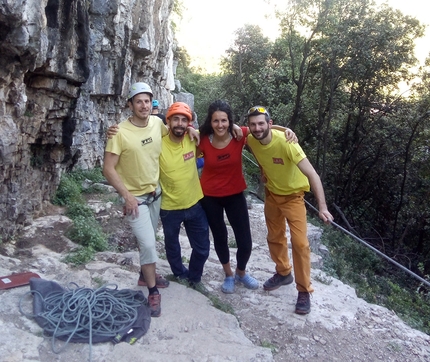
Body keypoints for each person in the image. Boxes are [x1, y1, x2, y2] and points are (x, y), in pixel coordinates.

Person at [197, 100, 297, 294]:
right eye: (216, 121)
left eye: (224, 120)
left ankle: (240, 273)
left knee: (245, 241)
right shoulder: (202, 139)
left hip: (235, 194)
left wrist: (287, 130)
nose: (220, 125)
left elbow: (264, 127)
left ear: (229, 121)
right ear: (210, 121)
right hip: (210, 196)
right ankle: (228, 275)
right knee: (220, 237)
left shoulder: (239, 135)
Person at [245, 105, 334, 315]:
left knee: (300, 243)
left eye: (261, 123)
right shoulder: (250, 139)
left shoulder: (287, 143)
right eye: (253, 124)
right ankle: (283, 272)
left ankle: (304, 290)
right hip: (272, 194)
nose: (257, 128)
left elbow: (313, 175)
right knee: (274, 236)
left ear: (269, 123)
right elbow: (232, 130)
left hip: (294, 197)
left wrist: (322, 207)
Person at [103, 82, 170, 317]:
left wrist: (191, 128)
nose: (143, 105)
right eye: (138, 101)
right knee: (149, 244)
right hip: (136, 200)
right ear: (130, 104)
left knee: (148, 241)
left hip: (155, 194)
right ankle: (152, 291)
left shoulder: (157, 124)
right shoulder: (119, 132)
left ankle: (145, 275)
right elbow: (108, 168)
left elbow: (173, 132)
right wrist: (127, 197)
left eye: (147, 101)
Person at [158, 102, 210, 290]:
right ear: (168, 121)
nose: (179, 124)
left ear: (189, 123)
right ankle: (179, 273)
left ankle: (195, 278)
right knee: (172, 246)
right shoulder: (158, 143)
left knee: (203, 248)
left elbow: (219, 130)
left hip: (194, 204)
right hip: (169, 207)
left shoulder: (193, 139)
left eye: (184, 120)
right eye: (176, 119)